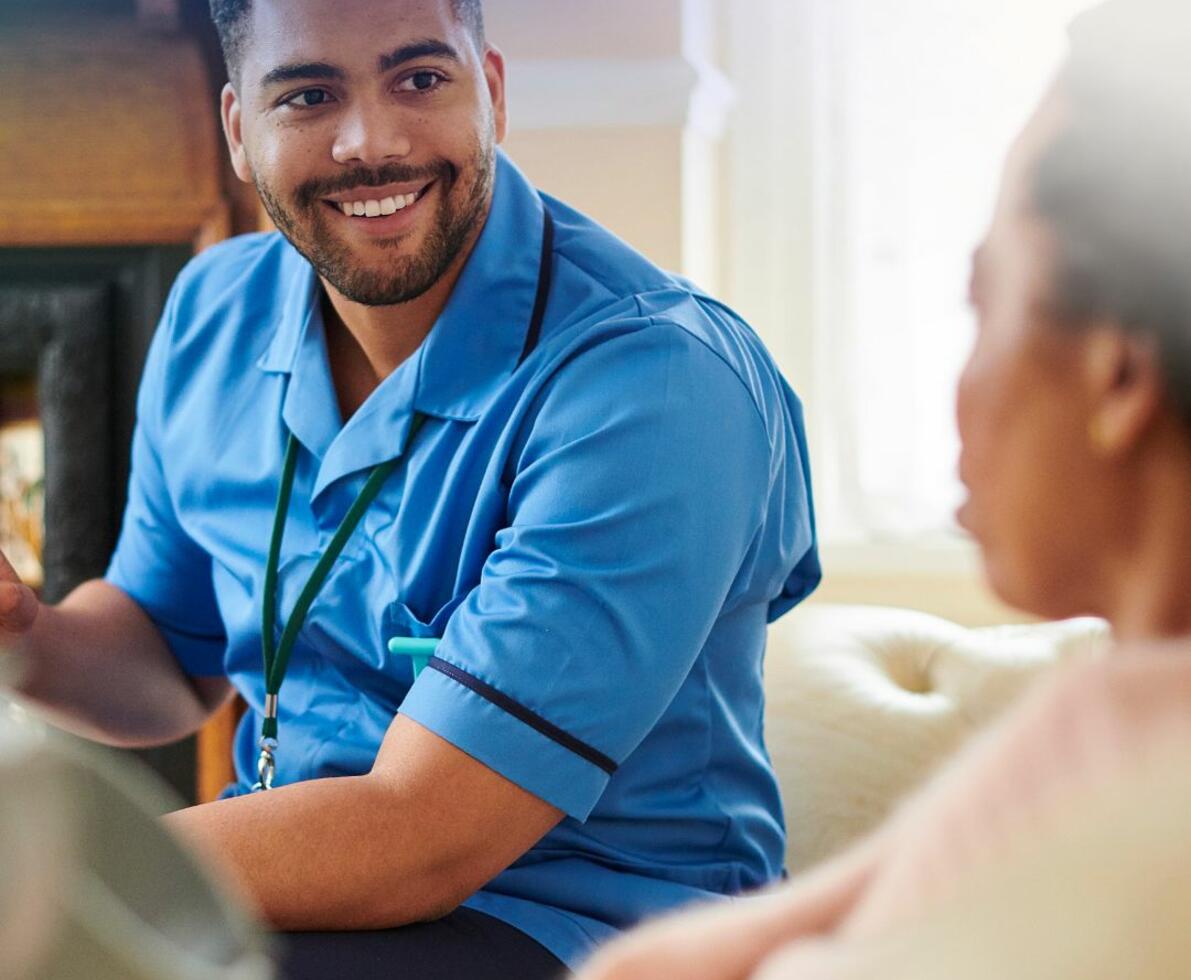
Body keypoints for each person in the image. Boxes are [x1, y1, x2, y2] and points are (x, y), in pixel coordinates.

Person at [0, 0, 819, 976]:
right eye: (308, 95)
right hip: (301, 904)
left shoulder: (657, 382)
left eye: (420, 79)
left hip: (589, 931)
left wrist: (53, 866)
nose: (370, 142)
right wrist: (25, 633)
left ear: (494, 93)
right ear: (237, 131)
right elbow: (170, 664)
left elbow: (419, 833)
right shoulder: (211, 310)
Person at [577, 0, 1191, 976]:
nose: (961, 382)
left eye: (983, 303)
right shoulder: (1105, 703)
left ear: (1119, 374)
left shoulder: (1140, 809)